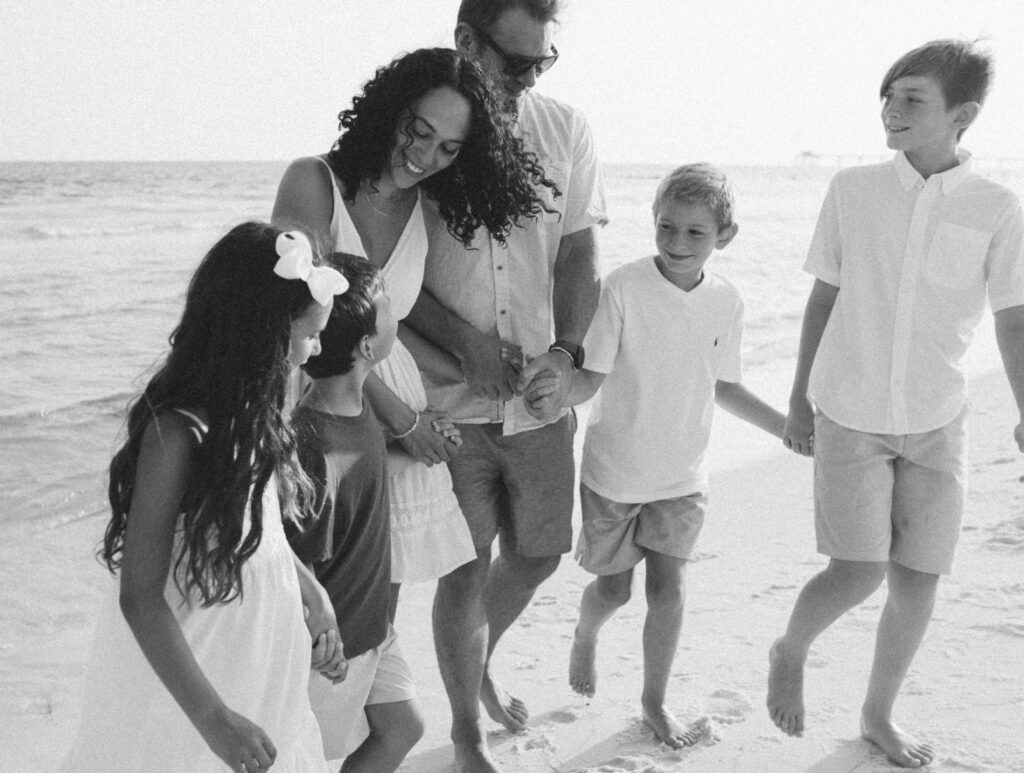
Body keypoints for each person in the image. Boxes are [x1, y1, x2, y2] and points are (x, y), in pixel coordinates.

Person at [766, 39, 1024, 768]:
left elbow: (1013, 316)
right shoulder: (852, 189)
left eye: (912, 98)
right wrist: (796, 400)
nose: (892, 108)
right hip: (849, 412)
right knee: (858, 570)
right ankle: (792, 646)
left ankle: (878, 713)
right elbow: (825, 294)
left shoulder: (998, 207)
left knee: (919, 575)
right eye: (888, 95)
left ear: (962, 115)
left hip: (940, 419)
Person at [272, 47, 555, 621]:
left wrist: (471, 367)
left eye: (449, 148)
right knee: (309, 596)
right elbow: (302, 326)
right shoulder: (314, 182)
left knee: (376, 600)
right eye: (417, 131)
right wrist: (403, 418)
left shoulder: (423, 206)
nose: (425, 157)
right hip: (320, 413)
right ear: (389, 110)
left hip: (387, 425)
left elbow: (389, 324)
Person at [401, 3, 607, 770]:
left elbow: (579, 252)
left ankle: (476, 658)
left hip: (538, 397)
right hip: (446, 399)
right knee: (465, 563)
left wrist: (567, 349)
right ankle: (464, 729)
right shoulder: (419, 131)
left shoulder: (566, 130)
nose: (528, 80)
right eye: (514, 62)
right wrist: (464, 346)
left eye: (542, 63)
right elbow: (381, 270)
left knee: (541, 550)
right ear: (465, 41)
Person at [62, 223, 349, 772]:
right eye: (309, 334)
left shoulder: (260, 420)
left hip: (258, 656)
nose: (313, 351)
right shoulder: (178, 434)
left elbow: (252, 530)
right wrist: (215, 719)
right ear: (263, 335)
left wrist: (313, 593)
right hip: (196, 672)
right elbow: (140, 597)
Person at [526, 163, 786, 748]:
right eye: (666, 227)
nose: (676, 243)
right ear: (652, 223)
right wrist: (554, 398)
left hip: (682, 476)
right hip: (614, 474)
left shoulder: (728, 301)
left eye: (695, 233)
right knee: (614, 592)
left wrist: (787, 429)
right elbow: (593, 375)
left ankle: (653, 701)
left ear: (725, 236)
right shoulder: (622, 286)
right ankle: (586, 634)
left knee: (667, 591)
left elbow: (727, 386)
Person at [287, 253, 426, 772]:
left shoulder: (357, 406)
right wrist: (321, 643)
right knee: (309, 757)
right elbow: (298, 562)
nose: (396, 314)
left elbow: (366, 464)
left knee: (403, 726)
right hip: (334, 645)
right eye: (388, 307)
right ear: (369, 346)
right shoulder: (313, 445)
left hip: (373, 625)